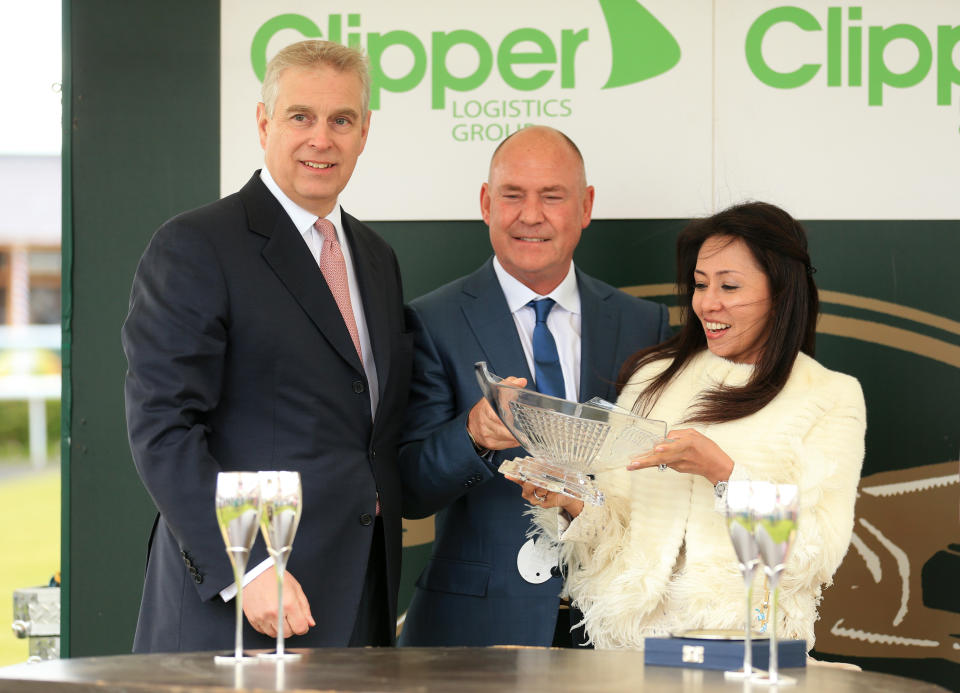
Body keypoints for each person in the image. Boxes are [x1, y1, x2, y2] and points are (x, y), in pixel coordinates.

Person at [122, 40, 412, 652]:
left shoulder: (376, 261)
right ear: (263, 122)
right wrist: (247, 566)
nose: (321, 139)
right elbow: (164, 426)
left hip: (357, 604)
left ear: (365, 132)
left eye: (342, 120)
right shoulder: (197, 245)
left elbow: (370, 432)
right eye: (300, 116)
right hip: (241, 608)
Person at [514, 201, 866, 649]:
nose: (708, 303)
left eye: (730, 285)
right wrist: (571, 502)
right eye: (700, 285)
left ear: (781, 292)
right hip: (627, 650)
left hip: (742, 648)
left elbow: (815, 558)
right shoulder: (652, 379)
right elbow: (611, 532)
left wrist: (724, 474)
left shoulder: (829, 396)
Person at [397, 126, 672, 647]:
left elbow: (659, 479)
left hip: (609, 627)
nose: (531, 215)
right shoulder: (431, 320)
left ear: (585, 206)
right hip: (474, 633)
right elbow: (408, 488)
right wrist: (471, 435)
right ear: (485, 202)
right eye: (512, 195)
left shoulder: (643, 326)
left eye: (552, 196)